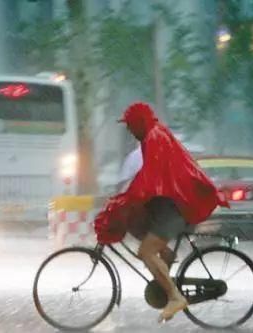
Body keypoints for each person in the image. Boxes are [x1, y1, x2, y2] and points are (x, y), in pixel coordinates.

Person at [93, 102, 228, 323]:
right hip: (167, 203)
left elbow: (149, 177)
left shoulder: (155, 137)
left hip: (176, 206)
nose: (130, 131)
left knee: (145, 252)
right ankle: (165, 258)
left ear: (139, 123)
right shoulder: (152, 136)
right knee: (135, 224)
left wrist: (125, 198)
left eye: (131, 126)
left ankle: (175, 297)